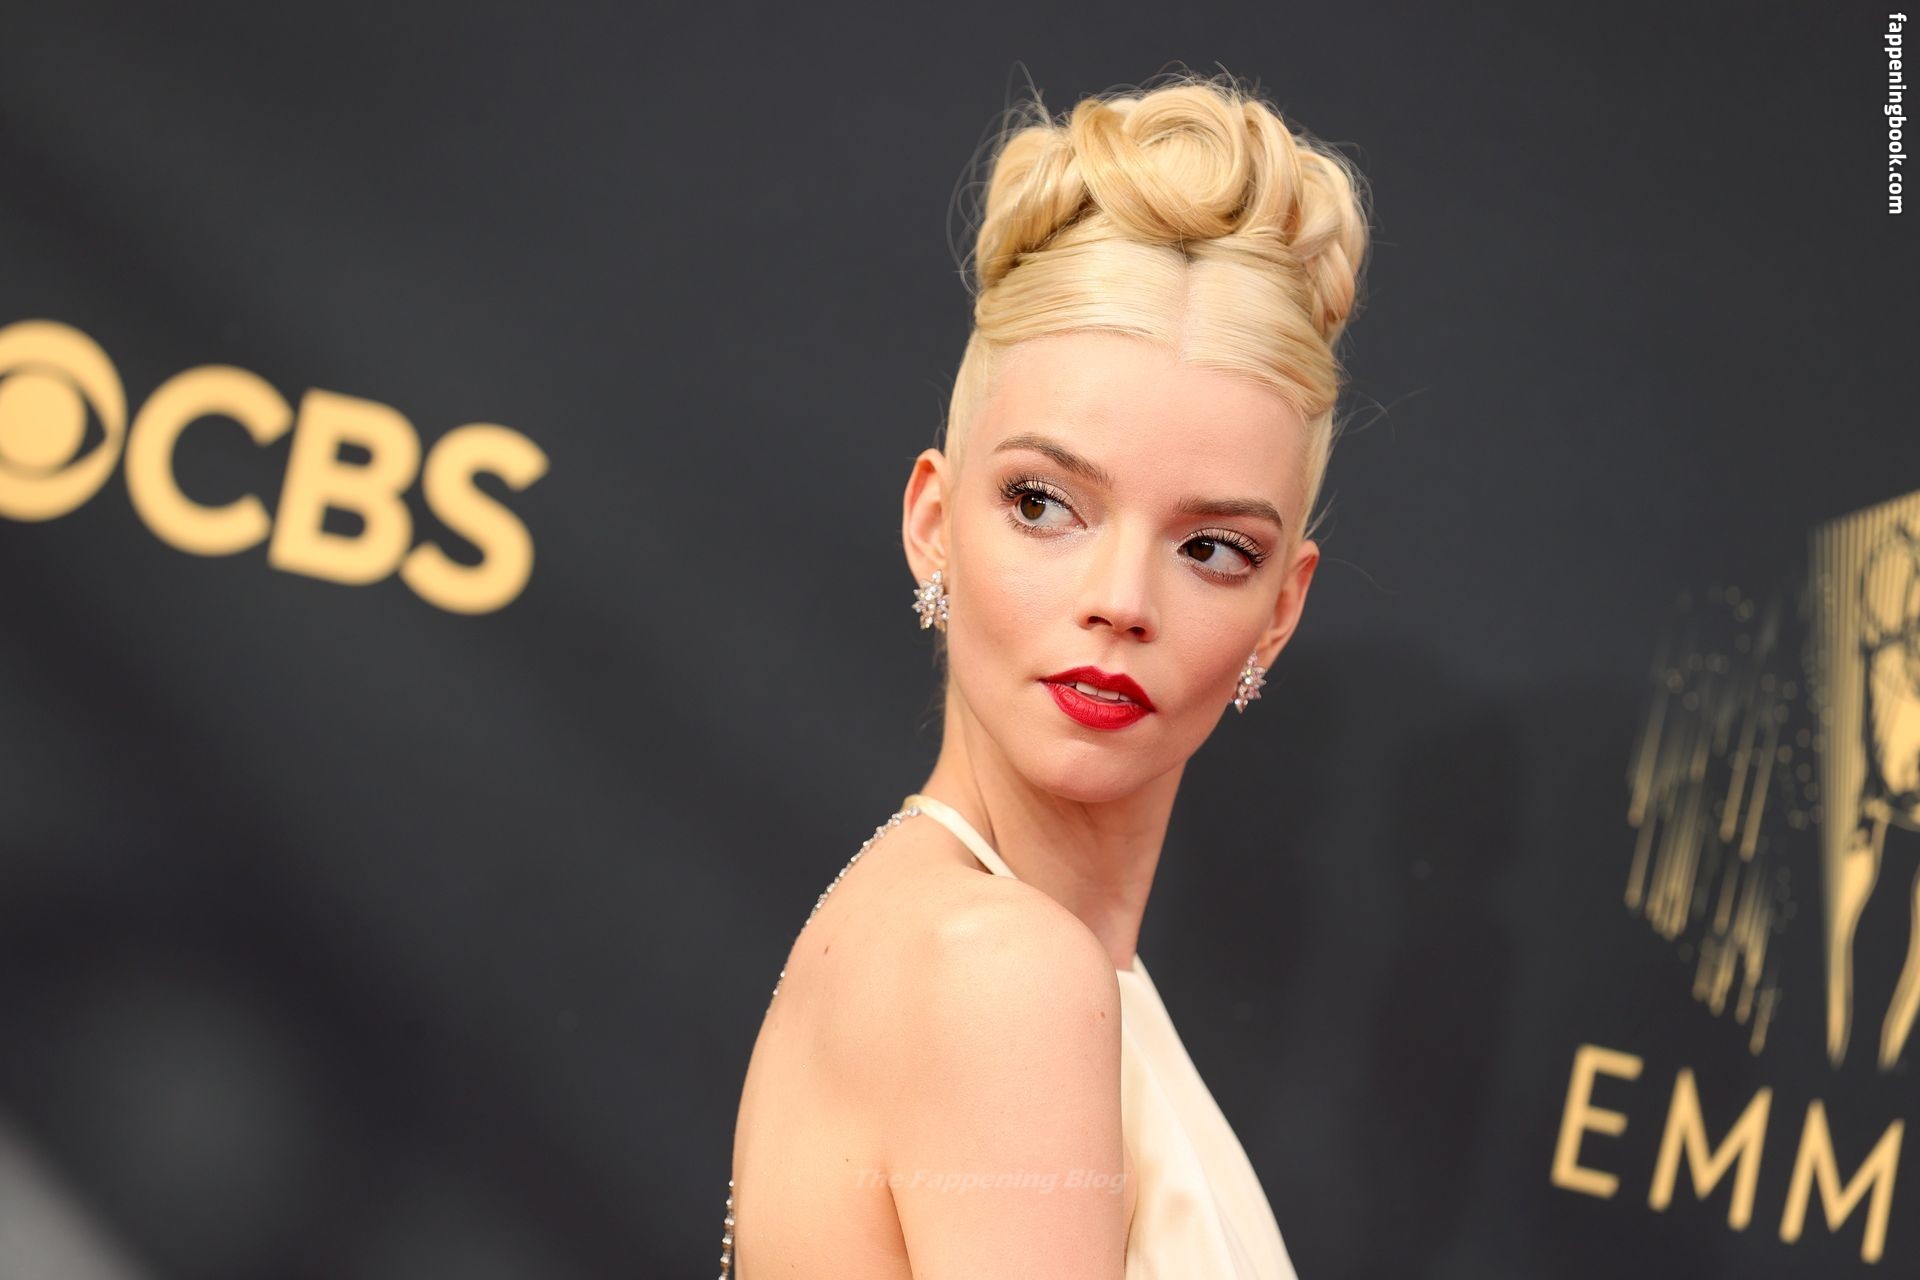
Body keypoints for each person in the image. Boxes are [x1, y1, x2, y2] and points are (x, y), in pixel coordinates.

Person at [719, 68, 1372, 1279]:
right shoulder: (1005, 972)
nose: (1121, 600)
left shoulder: (935, 927)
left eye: (1211, 548)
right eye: (1045, 502)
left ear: (1281, 610)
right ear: (932, 522)